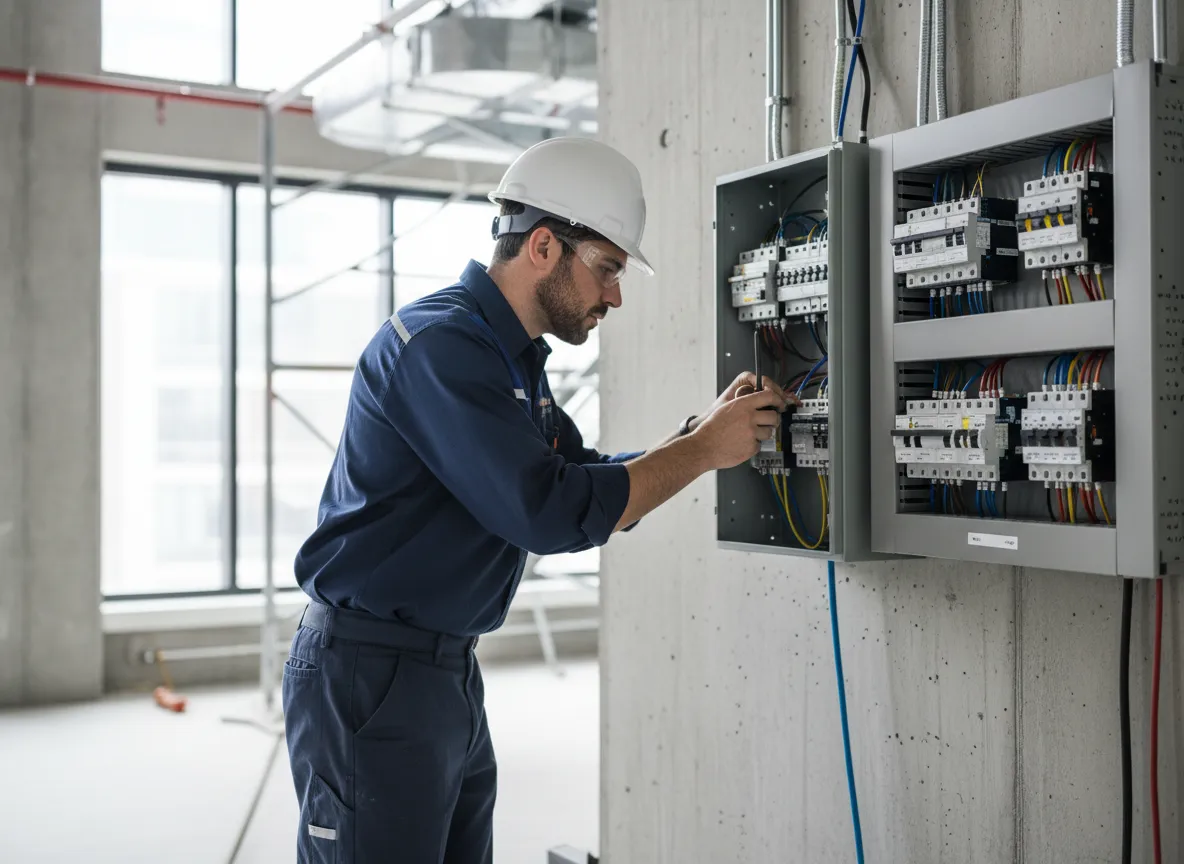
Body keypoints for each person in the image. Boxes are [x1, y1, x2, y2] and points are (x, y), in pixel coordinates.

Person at [281, 137, 789, 863]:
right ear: (545, 246)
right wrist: (703, 450)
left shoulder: (510, 358)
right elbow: (551, 514)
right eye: (608, 269)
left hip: (440, 671)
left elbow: (587, 482)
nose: (614, 294)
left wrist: (699, 435)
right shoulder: (439, 347)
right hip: (371, 673)